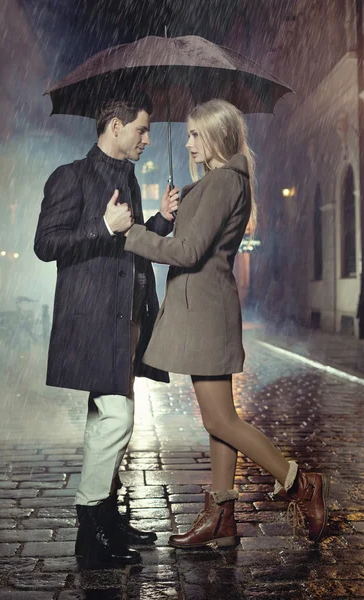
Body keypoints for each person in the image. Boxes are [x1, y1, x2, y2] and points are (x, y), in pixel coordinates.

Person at [124, 98, 330, 548]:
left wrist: (132, 234)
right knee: (220, 418)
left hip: (206, 314)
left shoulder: (221, 184)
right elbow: (195, 240)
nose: (190, 143)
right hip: (207, 311)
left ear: (217, 136)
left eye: (197, 134)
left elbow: (187, 253)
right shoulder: (221, 183)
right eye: (191, 134)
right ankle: (221, 516)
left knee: (220, 419)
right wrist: (174, 212)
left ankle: (299, 484)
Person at [34, 92, 179, 568]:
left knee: (107, 419)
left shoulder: (129, 180)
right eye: (141, 129)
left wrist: (160, 220)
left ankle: (107, 519)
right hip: (94, 320)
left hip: (127, 320)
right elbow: (45, 244)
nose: (146, 139)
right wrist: (101, 225)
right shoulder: (70, 176)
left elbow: (129, 246)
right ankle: (91, 522)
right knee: (116, 418)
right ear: (115, 126)